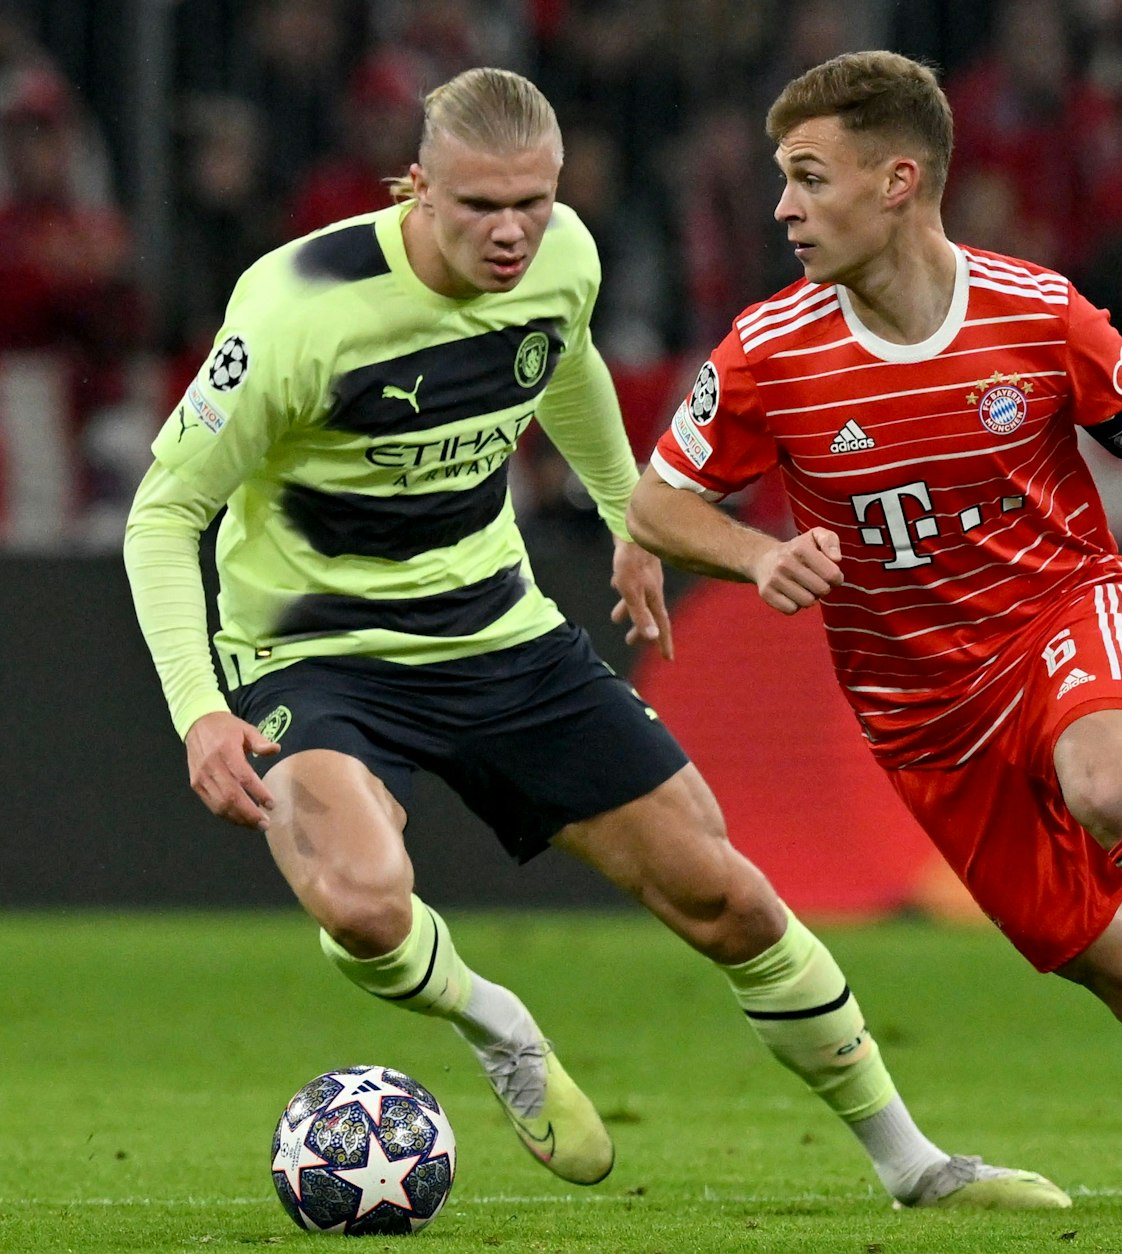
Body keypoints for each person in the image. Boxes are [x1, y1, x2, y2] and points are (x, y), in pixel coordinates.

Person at [123, 66, 1067, 1212]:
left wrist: (630, 519)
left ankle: (915, 1166)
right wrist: (199, 708)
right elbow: (165, 512)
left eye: (534, 199)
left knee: (727, 899)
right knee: (365, 902)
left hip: (497, 634)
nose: (514, 230)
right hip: (318, 653)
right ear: (417, 187)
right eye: (479, 206)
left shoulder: (562, 254)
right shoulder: (297, 307)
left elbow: (560, 364)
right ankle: (498, 1024)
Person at [626, 51, 1122, 1231]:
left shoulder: (1038, 312)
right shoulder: (768, 350)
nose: (783, 209)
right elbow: (657, 503)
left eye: (807, 178)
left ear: (898, 181)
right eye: (780, 181)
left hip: (1058, 615)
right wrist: (753, 556)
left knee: (1111, 784)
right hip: (919, 718)